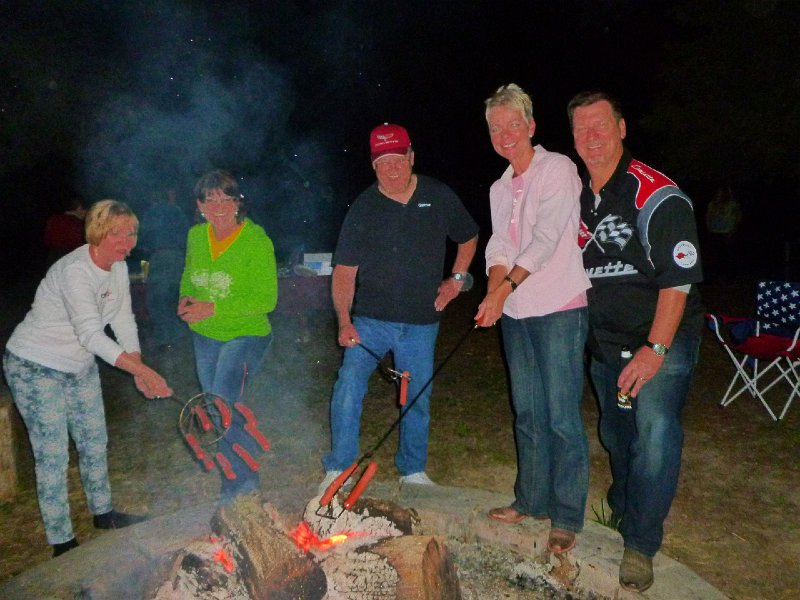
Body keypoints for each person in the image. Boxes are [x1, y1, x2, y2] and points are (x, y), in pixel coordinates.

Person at [568, 91, 704, 592]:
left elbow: (678, 282)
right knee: (617, 433)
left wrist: (655, 350)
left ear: (622, 129)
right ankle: (625, 504)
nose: (591, 137)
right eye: (581, 128)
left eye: (601, 125)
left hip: (661, 340)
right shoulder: (577, 197)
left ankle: (641, 544)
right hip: (606, 344)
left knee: (655, 433)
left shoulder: (658, 195)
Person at [3, 199, 173, 558]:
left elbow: (122, 318)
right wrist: (143, 372)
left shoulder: (118, 267)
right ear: (97, 232)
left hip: (78, 364)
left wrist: (137, 365)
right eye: (117, 234)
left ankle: (103, 513)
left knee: (95, 441)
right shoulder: (75, 271)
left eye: (131, 233)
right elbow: (91, 335)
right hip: (35, 364)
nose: (127, 242)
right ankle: (62, 541)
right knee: (52, 454)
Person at [320, 123, 479, 492]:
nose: (392, 168)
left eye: (398, 159)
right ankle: (339, 466)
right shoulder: (364, 207)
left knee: (417, 395)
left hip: (421, 321)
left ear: (411, 157)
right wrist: (343, 321)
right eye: (383, 162)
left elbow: (468, 235)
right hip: (370, 320)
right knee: (348, 384)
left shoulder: (437, 194)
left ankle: (412, 470)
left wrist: (456, 280)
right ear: (373, 165)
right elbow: (344, 272)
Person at [475, 84, 590, 555]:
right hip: (516, 312)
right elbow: (500, 244)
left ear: (531, 126)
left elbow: (545, 240)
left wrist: (502, 289)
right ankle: (530, 500)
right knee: (528, 413)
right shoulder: (499, 187)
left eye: (512, 124)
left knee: (561, 416)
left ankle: (566, 516)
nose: (504, 134)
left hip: (559, 305)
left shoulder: (558, 169)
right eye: (495, 128)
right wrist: (494, 294)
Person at [178, 170, 278, 502]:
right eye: (210, 200)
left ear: (238, 203)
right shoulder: (196, 236)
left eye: (226, 199)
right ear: (200, 206)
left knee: (222, 403)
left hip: (246, 335)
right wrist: (185, 298)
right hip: (205, 335)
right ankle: (240, 476)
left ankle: (241, 486)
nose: (219, 207)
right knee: (217, 406)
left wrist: (212, 308)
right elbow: (189, 276)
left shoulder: (256, 241)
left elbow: (266, 300)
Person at [138, 187, 191, 351]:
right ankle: (180, 339)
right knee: (174, 298)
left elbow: (143, 239)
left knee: (157, 300)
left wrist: (143, 250)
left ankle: (166, 340)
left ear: (153, 199)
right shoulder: (177, 211)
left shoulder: (152, 213)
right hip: (180, 258)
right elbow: (187, 234)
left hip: (161, 257)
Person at [43, 196, 87, 266]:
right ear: (79, 208)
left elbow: (47, 241)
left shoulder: (52, 220)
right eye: (86, 209)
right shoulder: (78, 224)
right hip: (71, 261)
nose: (86, 213)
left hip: (52, 259)